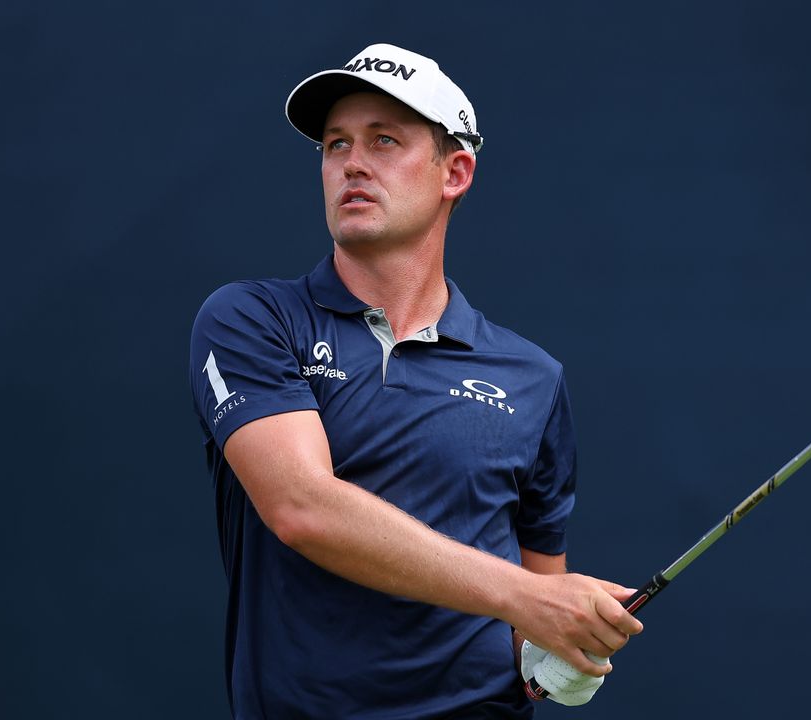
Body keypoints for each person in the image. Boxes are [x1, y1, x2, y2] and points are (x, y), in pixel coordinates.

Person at [189, 43, 642, 719]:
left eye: (384, 140)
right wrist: (528, 600)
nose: (352, 163)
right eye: (335, 144)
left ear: (455, 171)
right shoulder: (251, 319)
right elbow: (301, 509)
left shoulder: (532, 379)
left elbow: (535, 627)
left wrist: (564, 657)